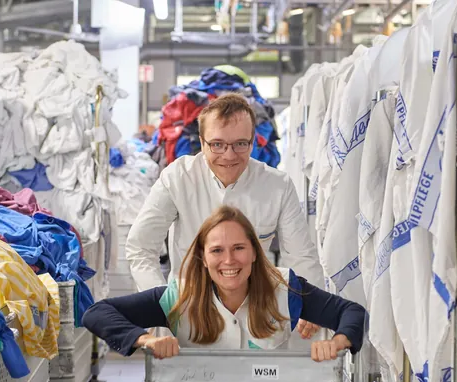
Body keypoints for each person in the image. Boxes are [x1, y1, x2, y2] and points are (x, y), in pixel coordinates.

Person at [126, 93, 323, 338]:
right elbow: (140, 247)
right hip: (186, 320)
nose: (229, 155)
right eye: (217, 144)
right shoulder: (178, 178)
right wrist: (161, 309)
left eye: (240, 144)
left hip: (255, 323)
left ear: (253, 142)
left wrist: (311, 306)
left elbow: (301, 256)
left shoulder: (277, 185)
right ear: (202, 141)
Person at [84, 206, 365, 361]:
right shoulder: (180, 298)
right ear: (203, 258)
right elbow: (97, 313)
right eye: (217, 250)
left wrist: (337, 342)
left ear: (255, 252)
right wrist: (146, 339)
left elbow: (350, 312)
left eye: (239, 248)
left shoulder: (285, 289)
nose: (229, 260)